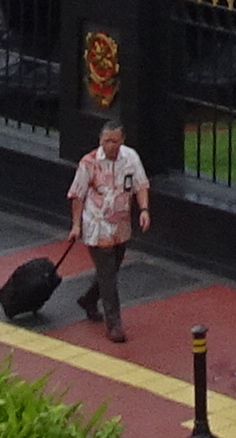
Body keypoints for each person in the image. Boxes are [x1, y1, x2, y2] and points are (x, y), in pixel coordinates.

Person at [64, 116, 153, 340]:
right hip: (97, 225)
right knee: (108, 275)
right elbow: (77, 195)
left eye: (114, 141)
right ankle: (114, 324)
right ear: (100, 140)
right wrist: (76, 225)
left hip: (120, 225)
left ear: (122, 140)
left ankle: (89, 299)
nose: (110, 145)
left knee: (111, 269)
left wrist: (144, 210)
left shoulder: (131, 158)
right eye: (106, 141)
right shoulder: (89, 163)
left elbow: (141, 185)